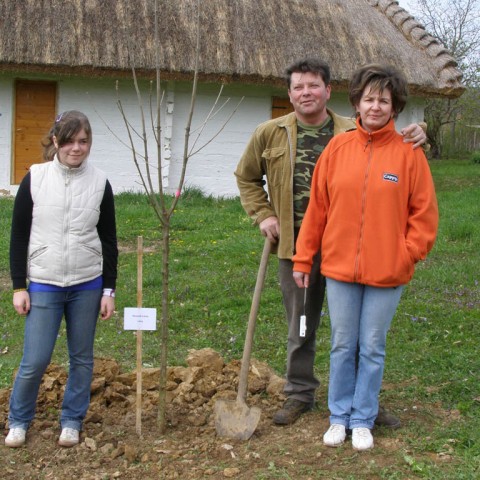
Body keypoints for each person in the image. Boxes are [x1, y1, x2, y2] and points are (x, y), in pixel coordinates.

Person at [234, 58, 427, 427]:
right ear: (289, 94)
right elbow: (245, 178)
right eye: (298, 87)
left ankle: (360, 401)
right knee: (302, 326)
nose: (305, 93)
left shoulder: (348, 131)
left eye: (313, 86)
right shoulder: (269, 132)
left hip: (353, 248)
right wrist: (264, 215)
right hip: (296, 247)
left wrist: (422, 131)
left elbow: (392, 147)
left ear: (328, 90)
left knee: (355, 333)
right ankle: (300, 393)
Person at [292, 64, 438, 450]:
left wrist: (407, 255)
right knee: (342, 344)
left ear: (394, 106)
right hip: (339, 269)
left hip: (388, 272)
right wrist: (304, 259)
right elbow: (317, 211)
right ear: (357, 101)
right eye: (369, 98)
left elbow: (423, 214)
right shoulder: (337, 148)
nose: (375, 106)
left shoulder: (409, 154)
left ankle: (362, 418)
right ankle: (338, 415)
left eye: (384, 100)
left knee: (372, 346)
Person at [5, 111, 118, 448]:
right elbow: (18, 237)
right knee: (35, 359)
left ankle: (71, 420)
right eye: (69, 140)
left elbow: (109, 241)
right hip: (44, 282)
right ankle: (18, 420)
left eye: (83, 141)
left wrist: (108, 289)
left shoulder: (100, 183)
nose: (76, 148)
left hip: (87, 283)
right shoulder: (35, 178)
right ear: (55, 141)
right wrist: (19, 286)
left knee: (81, 357)